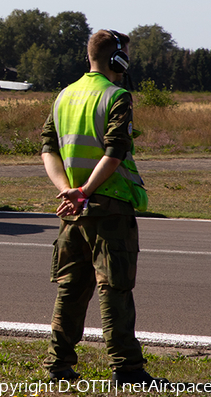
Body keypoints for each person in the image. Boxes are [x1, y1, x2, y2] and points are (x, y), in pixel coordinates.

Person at [41, 29, 166, 387]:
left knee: (71, 288)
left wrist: (68, 191)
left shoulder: (64, 96)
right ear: (118, 60)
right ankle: (126, 369)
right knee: (114, 288)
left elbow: (48, 148)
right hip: (108, 207)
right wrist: (86, 191)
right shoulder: (117, 96)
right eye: (127, 54)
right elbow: (115, 152)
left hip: (73, 209)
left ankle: (57, 365)